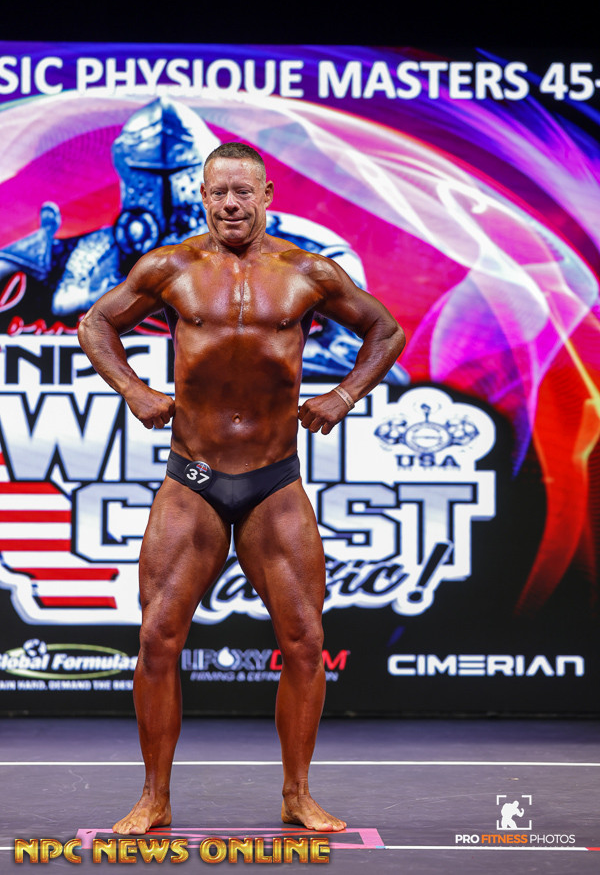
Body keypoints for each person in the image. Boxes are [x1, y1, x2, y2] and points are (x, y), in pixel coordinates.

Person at [78, 142, 405, 835]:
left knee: (305, 639)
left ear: (266, 195)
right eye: (218, 192)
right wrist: (133, 389)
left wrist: (344, 395)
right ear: (202, 196)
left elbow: (385, 329)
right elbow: (95, 322)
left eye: (243, 192)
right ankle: (154, 799)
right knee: (158, 637)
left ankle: (297, 795)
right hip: (192, 480)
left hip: (273, 481)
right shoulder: (169, 268)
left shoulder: (308, 272)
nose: (231, 204)